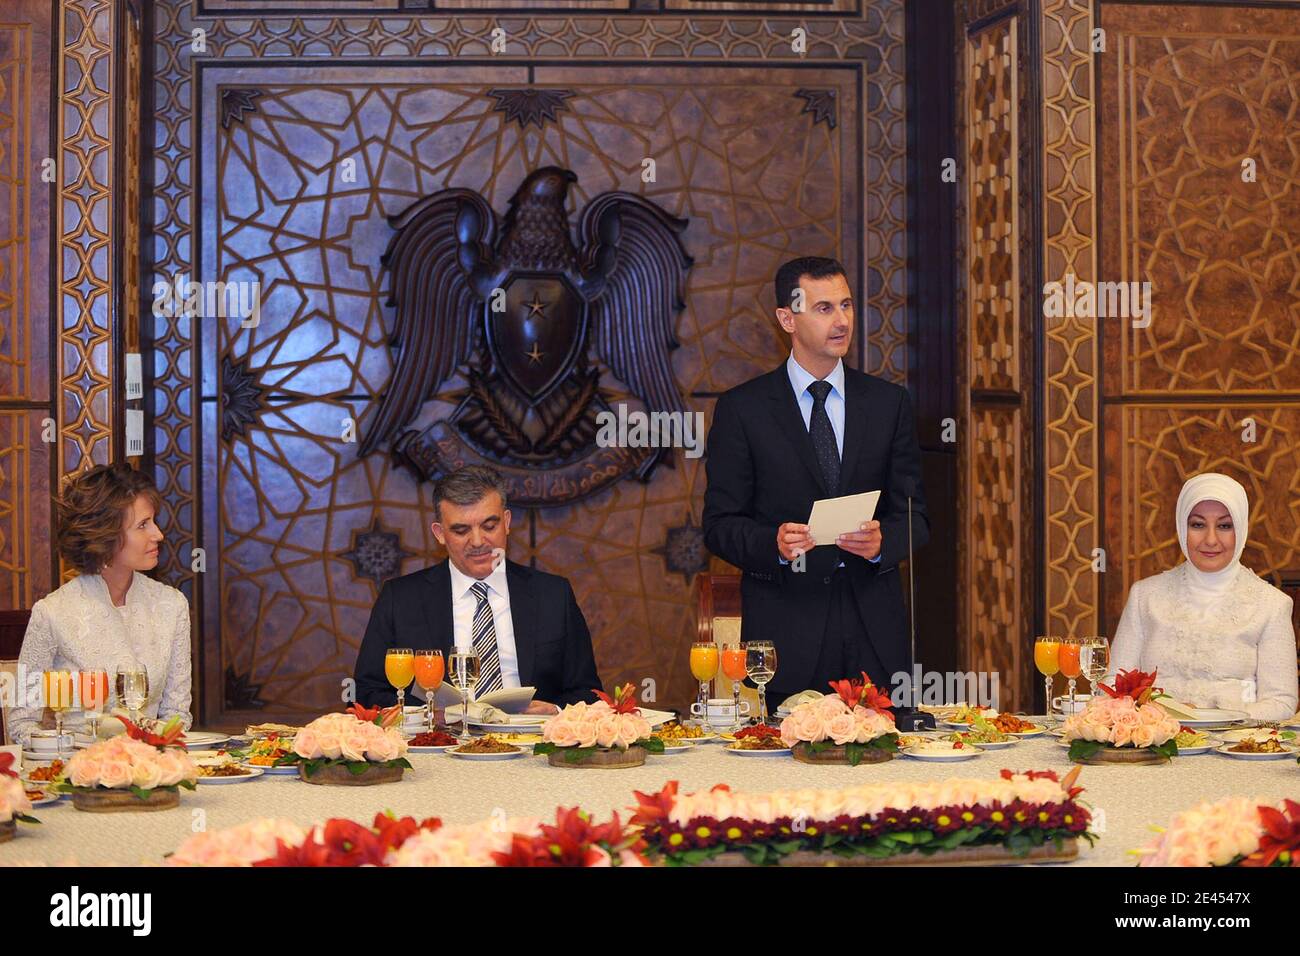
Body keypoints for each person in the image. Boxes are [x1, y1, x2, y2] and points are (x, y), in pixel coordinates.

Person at [702, 256, 928, 703]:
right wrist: (775, 544)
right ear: (787, 317)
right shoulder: (743, 410)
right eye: (824, 309)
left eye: (845, 305)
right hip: (787, 632)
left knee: (883, 768)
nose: (841, 321)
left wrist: (885, 541)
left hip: (874, 631)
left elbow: (916, 517)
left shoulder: (888, 404)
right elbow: (720, 525)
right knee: (789, 769)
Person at [353, 465, 602, 712]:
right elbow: (365, 694)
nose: (478, 541)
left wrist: (555, 711)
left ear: (506, 522)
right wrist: (426, 713)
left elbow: (589, 693)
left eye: (489, 526)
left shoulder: (553, 595)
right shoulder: (401, 599)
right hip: (438, 744)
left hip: (532, 744)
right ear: (440, 534)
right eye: (461, 530)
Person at [9, 464, 192, 745]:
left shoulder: (171, 605)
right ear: (104, 535)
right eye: (143, 525)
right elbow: (21, 722)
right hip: (76, 774)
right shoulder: (53, 613)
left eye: (153, 521)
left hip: (150, 772)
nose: (158, 535)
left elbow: (177, 715)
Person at [1109, 472, 1297, 721]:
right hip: (1155, 747)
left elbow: (1282, 702)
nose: (1211, 540)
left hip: (1238, 749)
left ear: (1240, 529)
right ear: (1181, 527)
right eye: (1197, 524)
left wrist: (1212, 718)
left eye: (1224, 526)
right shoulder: (1145, 596)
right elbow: (1115, 684)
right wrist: (1153, 719)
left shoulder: (1271, 605)